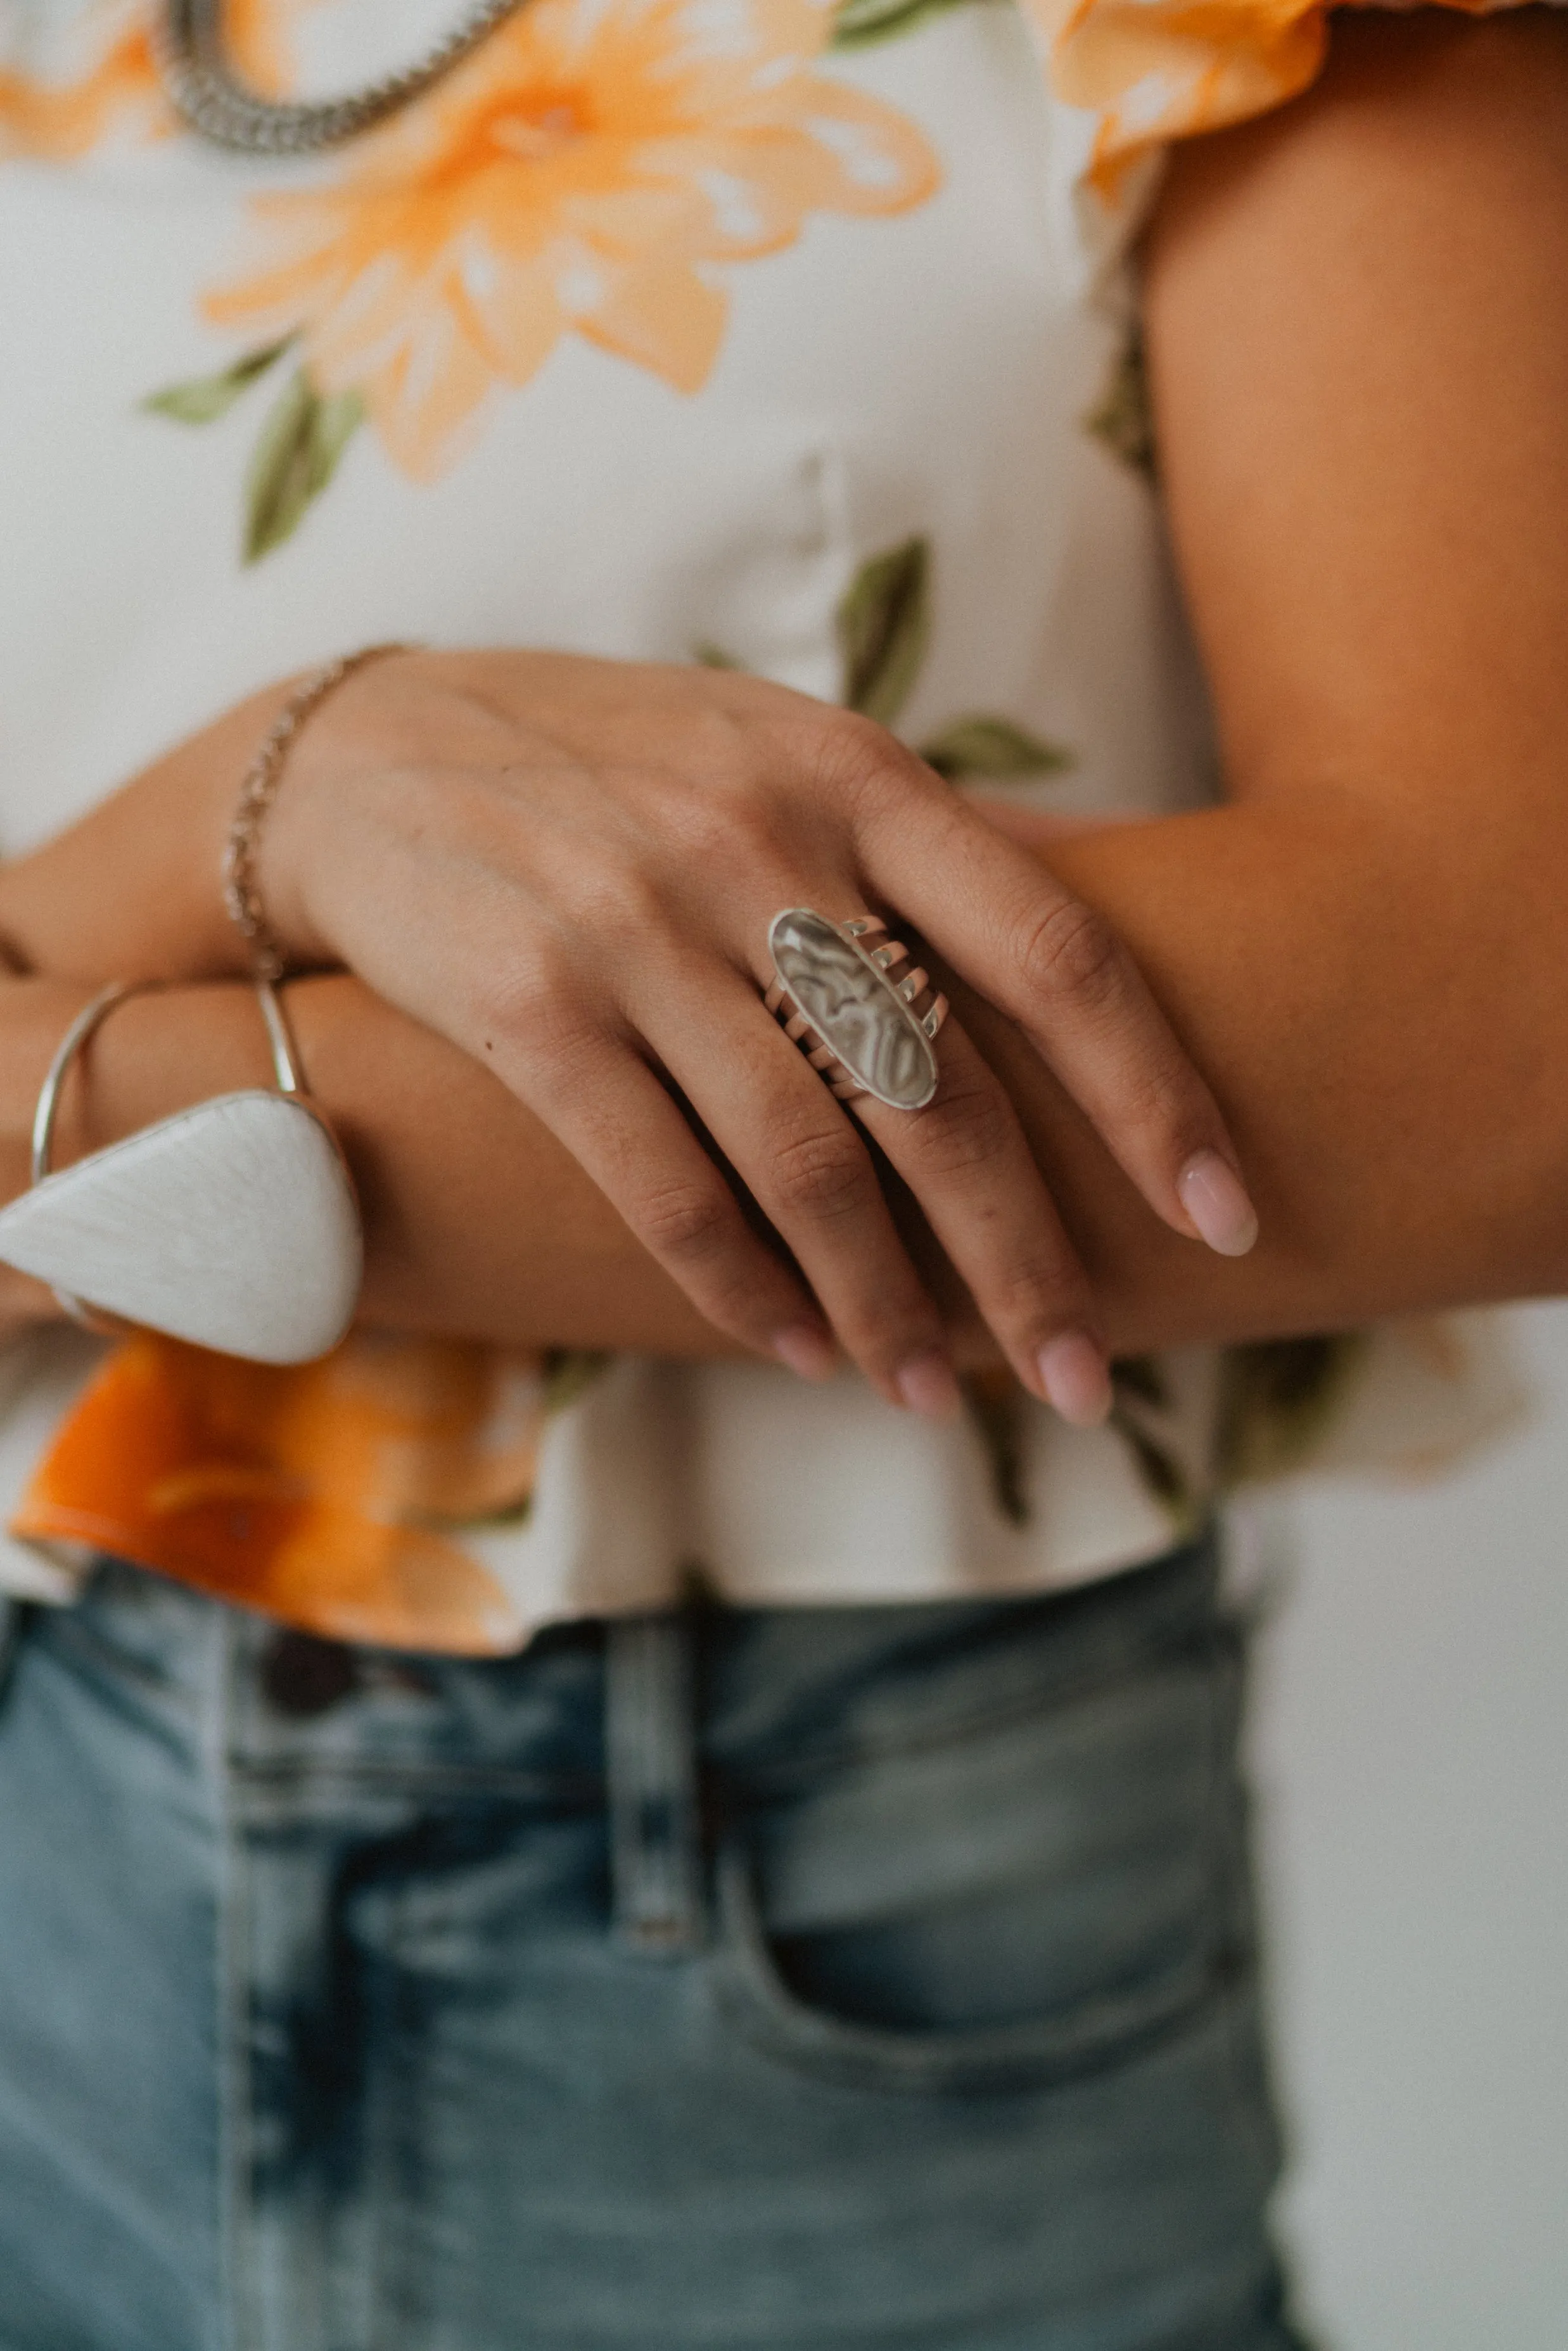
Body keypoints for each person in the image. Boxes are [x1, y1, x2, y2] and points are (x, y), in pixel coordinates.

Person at [0, 2, 1563, 2343]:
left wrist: (73, 1118)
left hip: (800, 1872)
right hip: (52, 1776)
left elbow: (1501, 1036)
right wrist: (286, 780)